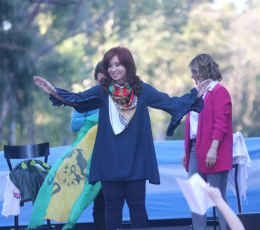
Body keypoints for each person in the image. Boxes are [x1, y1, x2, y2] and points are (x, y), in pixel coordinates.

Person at [34, 46, 210, 230]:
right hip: (109, 160)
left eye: (118, 64)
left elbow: (169, 103)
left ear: (127, 65)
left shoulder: (143, 90)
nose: (113, 69)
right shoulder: (101, 91)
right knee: (112, 208)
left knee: (137, 207)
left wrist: (194, 95)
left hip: (136, 160)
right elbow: (77, 100)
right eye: (109, 65)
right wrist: (54, 92)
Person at [182, 53, 233, 230]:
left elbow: (221, 123)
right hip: (196, 150)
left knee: (217, 196)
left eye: (194, 71)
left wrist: (213, 149)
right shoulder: (197, 94)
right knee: (196, 198)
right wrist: (187, 150)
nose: (192, 76)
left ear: (202, 71)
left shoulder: (219, 91)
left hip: (214, 149)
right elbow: (194, 125)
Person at [70, 61, 106, 230]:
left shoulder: (118, 97)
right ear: (99, 77)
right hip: (92, 157)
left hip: (115, 155)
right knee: (99, 201)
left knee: (115, 201)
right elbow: (74, 125)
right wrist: (97, 118)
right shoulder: (86, 98)